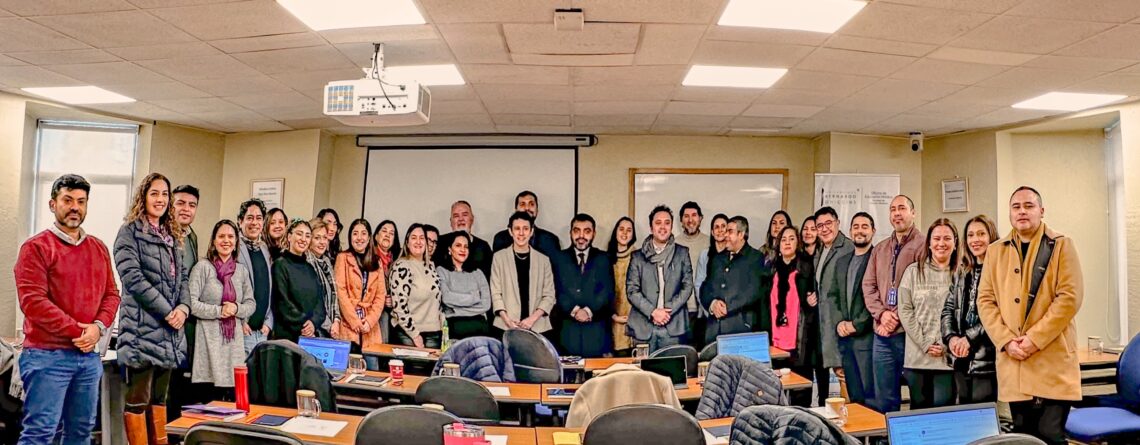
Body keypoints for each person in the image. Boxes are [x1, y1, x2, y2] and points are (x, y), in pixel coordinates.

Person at [14, 174, 120, 445]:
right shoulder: (35, 247)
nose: (75, 207)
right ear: (53, 204)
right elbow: (34, 303)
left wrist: (97, 328)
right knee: (40, 434)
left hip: (88, 360)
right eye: (68, 200)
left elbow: (112, 294)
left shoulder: (98, 248)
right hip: (47, 357)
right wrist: (79, 331)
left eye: (81, 201)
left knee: (80, 434)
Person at [977, 187, 1083, 445]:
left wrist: (1034, 339)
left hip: (1052, 360)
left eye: (1029, 205)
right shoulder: (995, 251)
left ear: (1041, 211)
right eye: (1016, 206)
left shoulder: (1061, 245)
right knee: (1023, 438)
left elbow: (1069, 298)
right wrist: (1006, 340)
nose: (1022, 211)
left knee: (1050, 435)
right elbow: (985, 300)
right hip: (1014, 361)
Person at [113, 172, 189, 445]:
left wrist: (183, 308)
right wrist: (167, 311)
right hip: (141, 333)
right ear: (143, 196)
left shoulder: (171, 235)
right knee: (139, 401)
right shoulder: (129, 232)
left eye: (165, 194)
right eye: (154, 193)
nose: (160, 199)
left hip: (169, 334)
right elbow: (132, 277)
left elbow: (183, 279)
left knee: (160, 400)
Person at [863, 195, 925, 413]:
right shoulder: (880, 248)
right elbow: (868, 286)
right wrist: (882, 315)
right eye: (892, 210)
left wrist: (896, 316)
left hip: (911, 336)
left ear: (913, 213)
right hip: (882, 335)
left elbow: (923, 291)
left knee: (919, 396)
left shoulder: (924, 245)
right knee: (884, 398)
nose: (897, 213)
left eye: (902, 208)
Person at [187, 220, 255, 402]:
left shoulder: (241, 271)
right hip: (208, 344)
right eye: (221, 236)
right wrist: (219, 311)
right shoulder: (202, 268)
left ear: (236, 242)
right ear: (214, 241)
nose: (226, 240)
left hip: (234, 347)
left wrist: (236, 308)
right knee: (208, 402)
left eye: (231, 236)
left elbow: (251, 303)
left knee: (233, 404)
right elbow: (191, 303)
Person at [898, 219, 958, 409]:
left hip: (947, 360)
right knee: (919, 416)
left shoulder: (962, 274)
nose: (941, 243)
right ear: (929, 243)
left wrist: (945, 345)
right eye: (937, 238)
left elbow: (964, 315)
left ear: (955, 243)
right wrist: (925, 342)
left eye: (947, 238)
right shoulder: (913, 272)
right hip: (917, 359)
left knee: (943, 415)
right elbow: (905, 310)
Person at [941, 215, 999, 405]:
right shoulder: (962, 270)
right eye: (971, 235)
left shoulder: (1001, 270)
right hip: (961, 357)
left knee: (983, 420)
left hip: (986, 358)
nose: (975, 240)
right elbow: (948, 308)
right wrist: (952, 339)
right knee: (963, 415)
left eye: (981, 234)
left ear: (991, 236)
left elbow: (999, 315)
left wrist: (969, 338)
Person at [762, 226, 822, 407]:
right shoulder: (769, 269)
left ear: (798, 243)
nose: (787, 242)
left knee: (800, 394)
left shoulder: (807, 267)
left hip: (799, 341)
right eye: (784, 239)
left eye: (792, 239)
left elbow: (816, 296)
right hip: (774, 342)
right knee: (773, 394)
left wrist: (814, 297)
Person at [626, 205, 695, 352]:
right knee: (643, 374)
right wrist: (653, 312)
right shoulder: (637, 257)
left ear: (671, 226)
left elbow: (687, 286)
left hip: (673, 325)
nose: (663, 227)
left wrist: (667, 311)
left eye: (667, 222)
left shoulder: (682, 253)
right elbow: (632, 291)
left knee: (671, 372)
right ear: (651, 227)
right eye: (658, 223)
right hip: (643, 327)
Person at [552, 213, 615, 357]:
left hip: (596, 332)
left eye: (587, 231)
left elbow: (607, 291)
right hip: (567, 332)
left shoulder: (603, 259)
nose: (581, 236)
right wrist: (574, 310)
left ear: (593, 234)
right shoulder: (558, 258)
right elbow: (556, 289)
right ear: (570, 233)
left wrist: (588, 311)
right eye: (576, 230)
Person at [830, 212, 876, 406]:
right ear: (850, 231)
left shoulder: (877, 259)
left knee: (870, 395)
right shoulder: (841, 262)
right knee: (854, 396)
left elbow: (877, 298)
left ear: (873, 231)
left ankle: (874, 436)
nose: (860, 230)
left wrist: (856, 324)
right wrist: (840, 322)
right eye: (856, 226)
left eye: (865, 226)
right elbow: (833, 296)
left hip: (867, 339)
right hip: (846, 341)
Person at [490, 212, 557, 342]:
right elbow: (495, 293)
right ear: (510, 231)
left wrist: (531, 320)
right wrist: (508, 321)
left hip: (537, 327)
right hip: (506, 326)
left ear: (531, 231)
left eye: (525, 229)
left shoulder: (543, 260)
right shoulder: (499, 257)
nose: (521, 233)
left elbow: (549, 295)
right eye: (517, 228)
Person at [700, 216, 762, 346]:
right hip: (713, 332)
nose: (725, 234)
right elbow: (705, 288)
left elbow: (754, 291)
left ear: (741, 234)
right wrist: (712, 304)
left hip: (740, 329)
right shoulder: (717, 258)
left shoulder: (755, 258)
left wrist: (726, 307)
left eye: (730, 231)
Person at [813, 207, 855, 378]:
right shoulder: (821, 250)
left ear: (838, 223)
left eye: (828, 223)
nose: (824, 229)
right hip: (826, 324)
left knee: (846, 377)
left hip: (843, 326)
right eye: (819, 225)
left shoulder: (848, 248)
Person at [270, 219, 326, 343]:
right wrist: (304, 325)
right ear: (289, 236)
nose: (303, 239)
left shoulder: (310, 269)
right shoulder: (280, 265)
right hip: (286, 338)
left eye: (307, 236)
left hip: (309, 337)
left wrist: (313, 323)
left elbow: (320, 304)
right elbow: (282, 302)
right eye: (299, 234)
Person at [389, 224, 445, 348]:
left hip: (434, 331)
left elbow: (437, 301)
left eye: (422, 238)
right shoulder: (402, 266)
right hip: (409, 333)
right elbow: (399, 307)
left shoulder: (431, 266)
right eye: (414, 238)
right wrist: (415, 335)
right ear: (407, 243)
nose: (418, 241)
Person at [335, 219, 386, 350]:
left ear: (369, 238)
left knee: (371, 367)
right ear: (350, 236)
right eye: (355, 233)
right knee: (349, 366)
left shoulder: (377, 261)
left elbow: (381, 296)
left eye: (363, 233)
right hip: (348, 325)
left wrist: (369, 321)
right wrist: (355, 321)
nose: (359, 238)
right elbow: (341, 292)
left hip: (370, 327)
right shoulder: (343, 258)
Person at [235, 199, 273, 355]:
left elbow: (269, 289)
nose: (254, 222)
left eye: (258, 218)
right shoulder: (233, 247)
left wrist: (268, 323)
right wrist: (240, 322)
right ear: (240, 221)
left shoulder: (264, 249)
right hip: (243, 330)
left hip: (262, 332)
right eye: (250, 218)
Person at [436, 232, 492, 340]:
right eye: (458, 245)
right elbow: (446, 298)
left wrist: (455, 309)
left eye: (466, 246)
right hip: (455, 327)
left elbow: (486, 304)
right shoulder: (441, 271)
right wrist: (474, 297)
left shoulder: (478, 273)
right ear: (449, 249)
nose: (463, 250)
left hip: (479, 328)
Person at [674, 201, 708, 349]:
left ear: (701, 218)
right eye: (686, 216)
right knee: (684, 354)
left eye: (694, 215)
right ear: (681, 220)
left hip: (704, 310)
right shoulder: (673, 243)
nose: (690, 219)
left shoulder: (710, 243)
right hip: (681, 311)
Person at [492, 191, 562, 256]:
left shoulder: (551, 240)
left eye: (531, 204)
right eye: (522, 204)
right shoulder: (500, 239)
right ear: (516, 210)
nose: (527, 208)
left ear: (537, 210)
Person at [435, 200, 493, 279]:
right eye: (456, 216)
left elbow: (488, 277)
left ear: (472, 219)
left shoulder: (483, 246)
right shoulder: (440, 243)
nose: (460, 219)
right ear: (451, 222)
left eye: (465, 215)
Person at [606, 217, 637, 356]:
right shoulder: (605, 258)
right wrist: (613, 316)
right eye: (621, 229)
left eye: (629, 230)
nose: (625, 233)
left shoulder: (639, 257)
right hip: (611, 320)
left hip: (635, 320)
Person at [306, 218, 337, 338]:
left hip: (330, 327)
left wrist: (337, 320)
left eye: (325, 238)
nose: (322, 242)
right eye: (317, 238)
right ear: (309, 240)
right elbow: (312, 301)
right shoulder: (306, 261)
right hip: (315, 327)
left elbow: (335, 295)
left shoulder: (326, 261)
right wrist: (330, 326)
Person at [695, 213, 729, 295]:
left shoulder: (734, 254)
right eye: (716, 227)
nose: (720, 230)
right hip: (707, 304)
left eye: (723, 226)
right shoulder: (704, 255)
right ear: (712, 232)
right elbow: (698, 284)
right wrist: (709, 306)